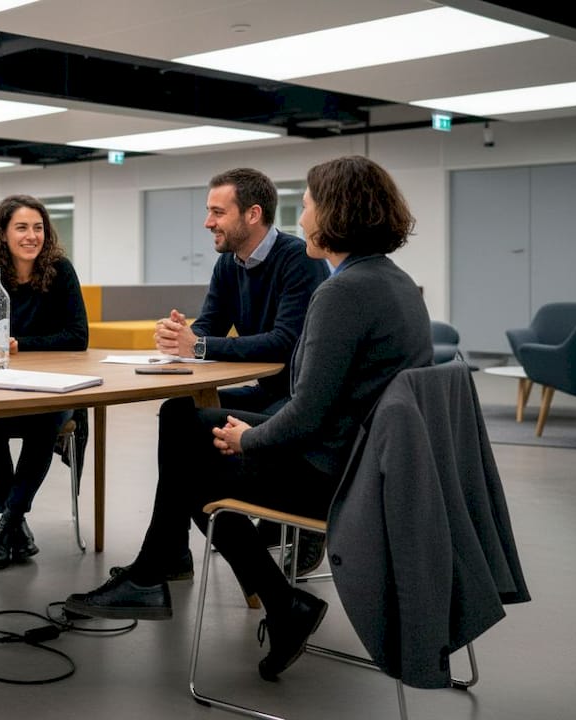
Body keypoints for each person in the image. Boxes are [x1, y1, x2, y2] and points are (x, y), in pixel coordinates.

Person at [65, 155, 433, 682]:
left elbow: (306, 413)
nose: (301, 218)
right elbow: (319, 404)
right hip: (366, 463)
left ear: (336, 213)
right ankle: (232, 590)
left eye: (306, 206)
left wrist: (251, 439)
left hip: (334, 475)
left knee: (191, 460)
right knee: (185, 429)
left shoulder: (342, 292)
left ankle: (204, 584)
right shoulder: (390, 281)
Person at [123, 167, 329, 583]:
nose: (207, 222)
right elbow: (210, 328)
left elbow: (283, 341)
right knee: (176, 411)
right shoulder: (229, 264)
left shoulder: (298, 260)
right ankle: (174, 550)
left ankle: (297, 523)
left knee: (194, 444)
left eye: (217, 212)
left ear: (252, 215)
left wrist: (197, 345)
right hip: (268, 391)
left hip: (294, 398)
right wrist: (183, 333)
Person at [0, 194, 88, 569]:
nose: (32, 236)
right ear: (4, 233)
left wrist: (20, 344)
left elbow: (78, 336)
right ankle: (15, 521)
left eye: (38, 228)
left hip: (51, 387)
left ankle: (9, 521)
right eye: (22, 228)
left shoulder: (60, 270)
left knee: (44, 422)